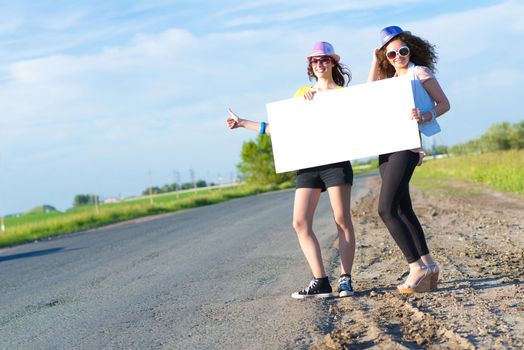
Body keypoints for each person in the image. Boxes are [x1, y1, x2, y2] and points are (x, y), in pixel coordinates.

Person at [227, 42, 355, 299]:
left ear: (332, 63)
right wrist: (243, 123)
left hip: (335, 163)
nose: (319, 64)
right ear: (311, 66)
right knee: (299, 222)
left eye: (324, 60)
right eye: (315, 61)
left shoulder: (343, 95)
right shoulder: (302, 94)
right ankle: (320, 281)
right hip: (307, 164)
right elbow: (282, 127)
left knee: (341, 220)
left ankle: (345, 280)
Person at [367, 26, 450, 293]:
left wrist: (424, 116)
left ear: (410, 50)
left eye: (402, 51)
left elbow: (444, 103)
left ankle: (416, 267)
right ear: (385, 57)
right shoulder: (388, 79)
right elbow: (368, 96)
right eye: (391, 54)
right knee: (403, 209)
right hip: (386, 147)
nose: (398, 56)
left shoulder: (419, 72)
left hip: (407, 146)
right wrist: (374, 62)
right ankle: (430, 264)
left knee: (386, 209)